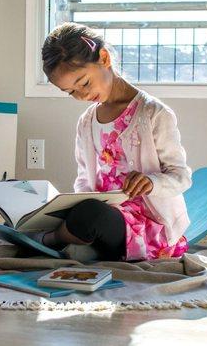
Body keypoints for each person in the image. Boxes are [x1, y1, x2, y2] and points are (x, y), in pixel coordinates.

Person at [36, 22, 192, 261]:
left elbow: (181, 177)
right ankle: (76, 237)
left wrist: (151, 182)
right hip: (108, 216)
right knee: (52, 204)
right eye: (71, 92)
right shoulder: (86, 122)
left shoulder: (153, 114)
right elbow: (84, 179)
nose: (83, 95)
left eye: (85, 83)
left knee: (89, 215)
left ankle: (49, 240)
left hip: (148, 226)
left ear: (104, 58)